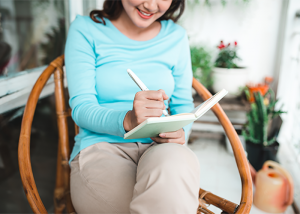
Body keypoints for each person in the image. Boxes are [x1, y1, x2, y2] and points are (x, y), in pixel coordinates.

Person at [65, 0, 200, 213]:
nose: (151, 5)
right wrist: (128, 120)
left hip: (161, 146)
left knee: (176, 163)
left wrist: (180, 131)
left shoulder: (176, 36)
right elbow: (81, 108)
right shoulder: (86, 29)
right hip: (102, 147)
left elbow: (183, 104)